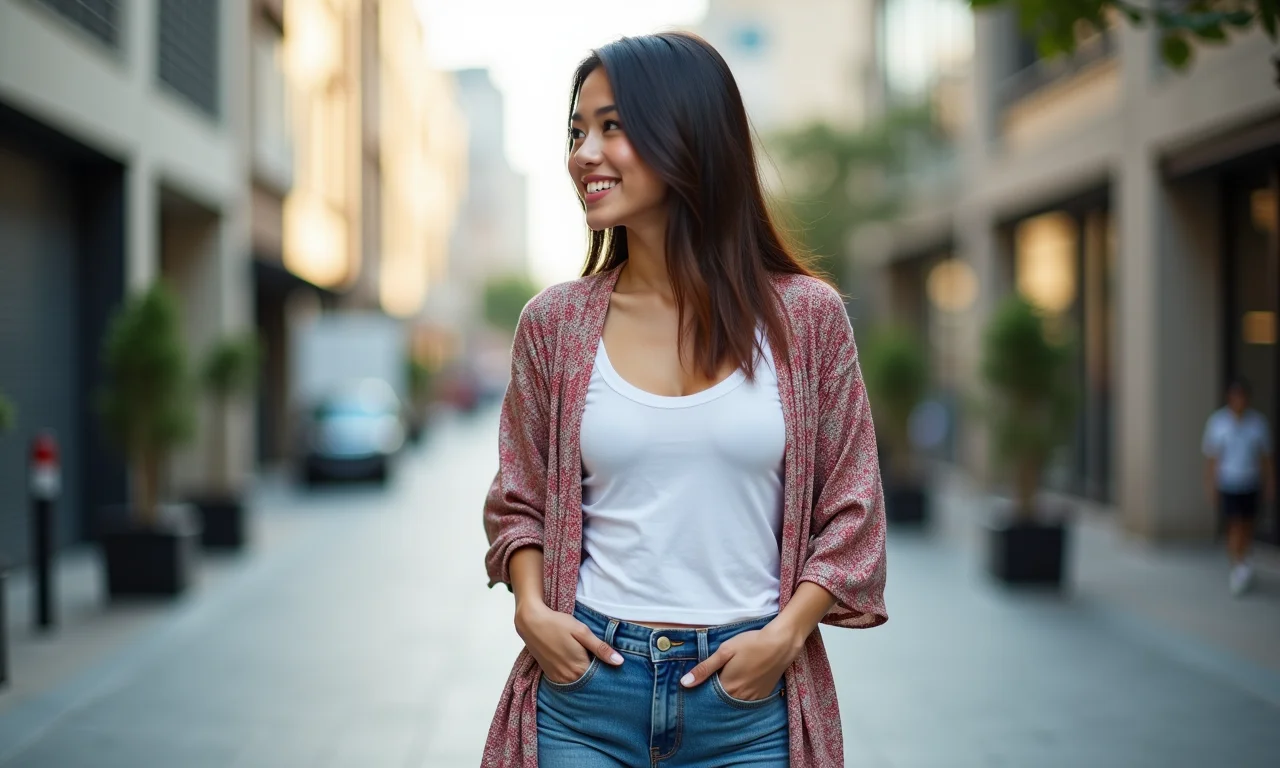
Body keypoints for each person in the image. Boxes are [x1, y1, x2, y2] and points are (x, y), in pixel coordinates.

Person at [481, 32, 887, 768]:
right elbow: (520, 498)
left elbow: (852, 505)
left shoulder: (806, 318)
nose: (583, 154)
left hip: (748, 704)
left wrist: (786, 635)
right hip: (585, 694)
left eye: (611, 126)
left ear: (688, 136)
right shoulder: (554, 323)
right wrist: (531, 611)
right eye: (576, 132)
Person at [1202, 378, 1274, 597]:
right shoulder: (1218, 423)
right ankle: (1237, 566)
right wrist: (1211, 484)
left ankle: (1244, 559)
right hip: (1229, 482)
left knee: (1247, 524)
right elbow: (1213, 458)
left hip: (1250, 482)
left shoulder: (1257, 424)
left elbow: (1265, 457)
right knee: (1234, 525)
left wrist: (1270, 483)